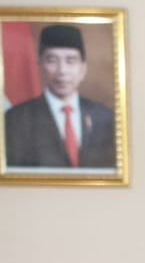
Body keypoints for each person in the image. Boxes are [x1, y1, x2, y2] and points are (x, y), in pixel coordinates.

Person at [4, 24, 116, 169]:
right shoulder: (16, 119)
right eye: (52, 61)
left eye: (70, 61)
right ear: (40, 67)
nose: (62, 71)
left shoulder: (104, 117)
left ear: (83, 69)